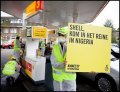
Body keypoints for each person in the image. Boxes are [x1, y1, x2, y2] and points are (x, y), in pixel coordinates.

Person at [50, 27, 76, 91]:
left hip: (70, 79)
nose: (61, 36)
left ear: (67, 36)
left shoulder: (74, 47)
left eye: (63, 35)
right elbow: (53, 63)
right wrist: (63, 64)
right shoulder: (55, 47)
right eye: (60, 35)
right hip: (58, 80)